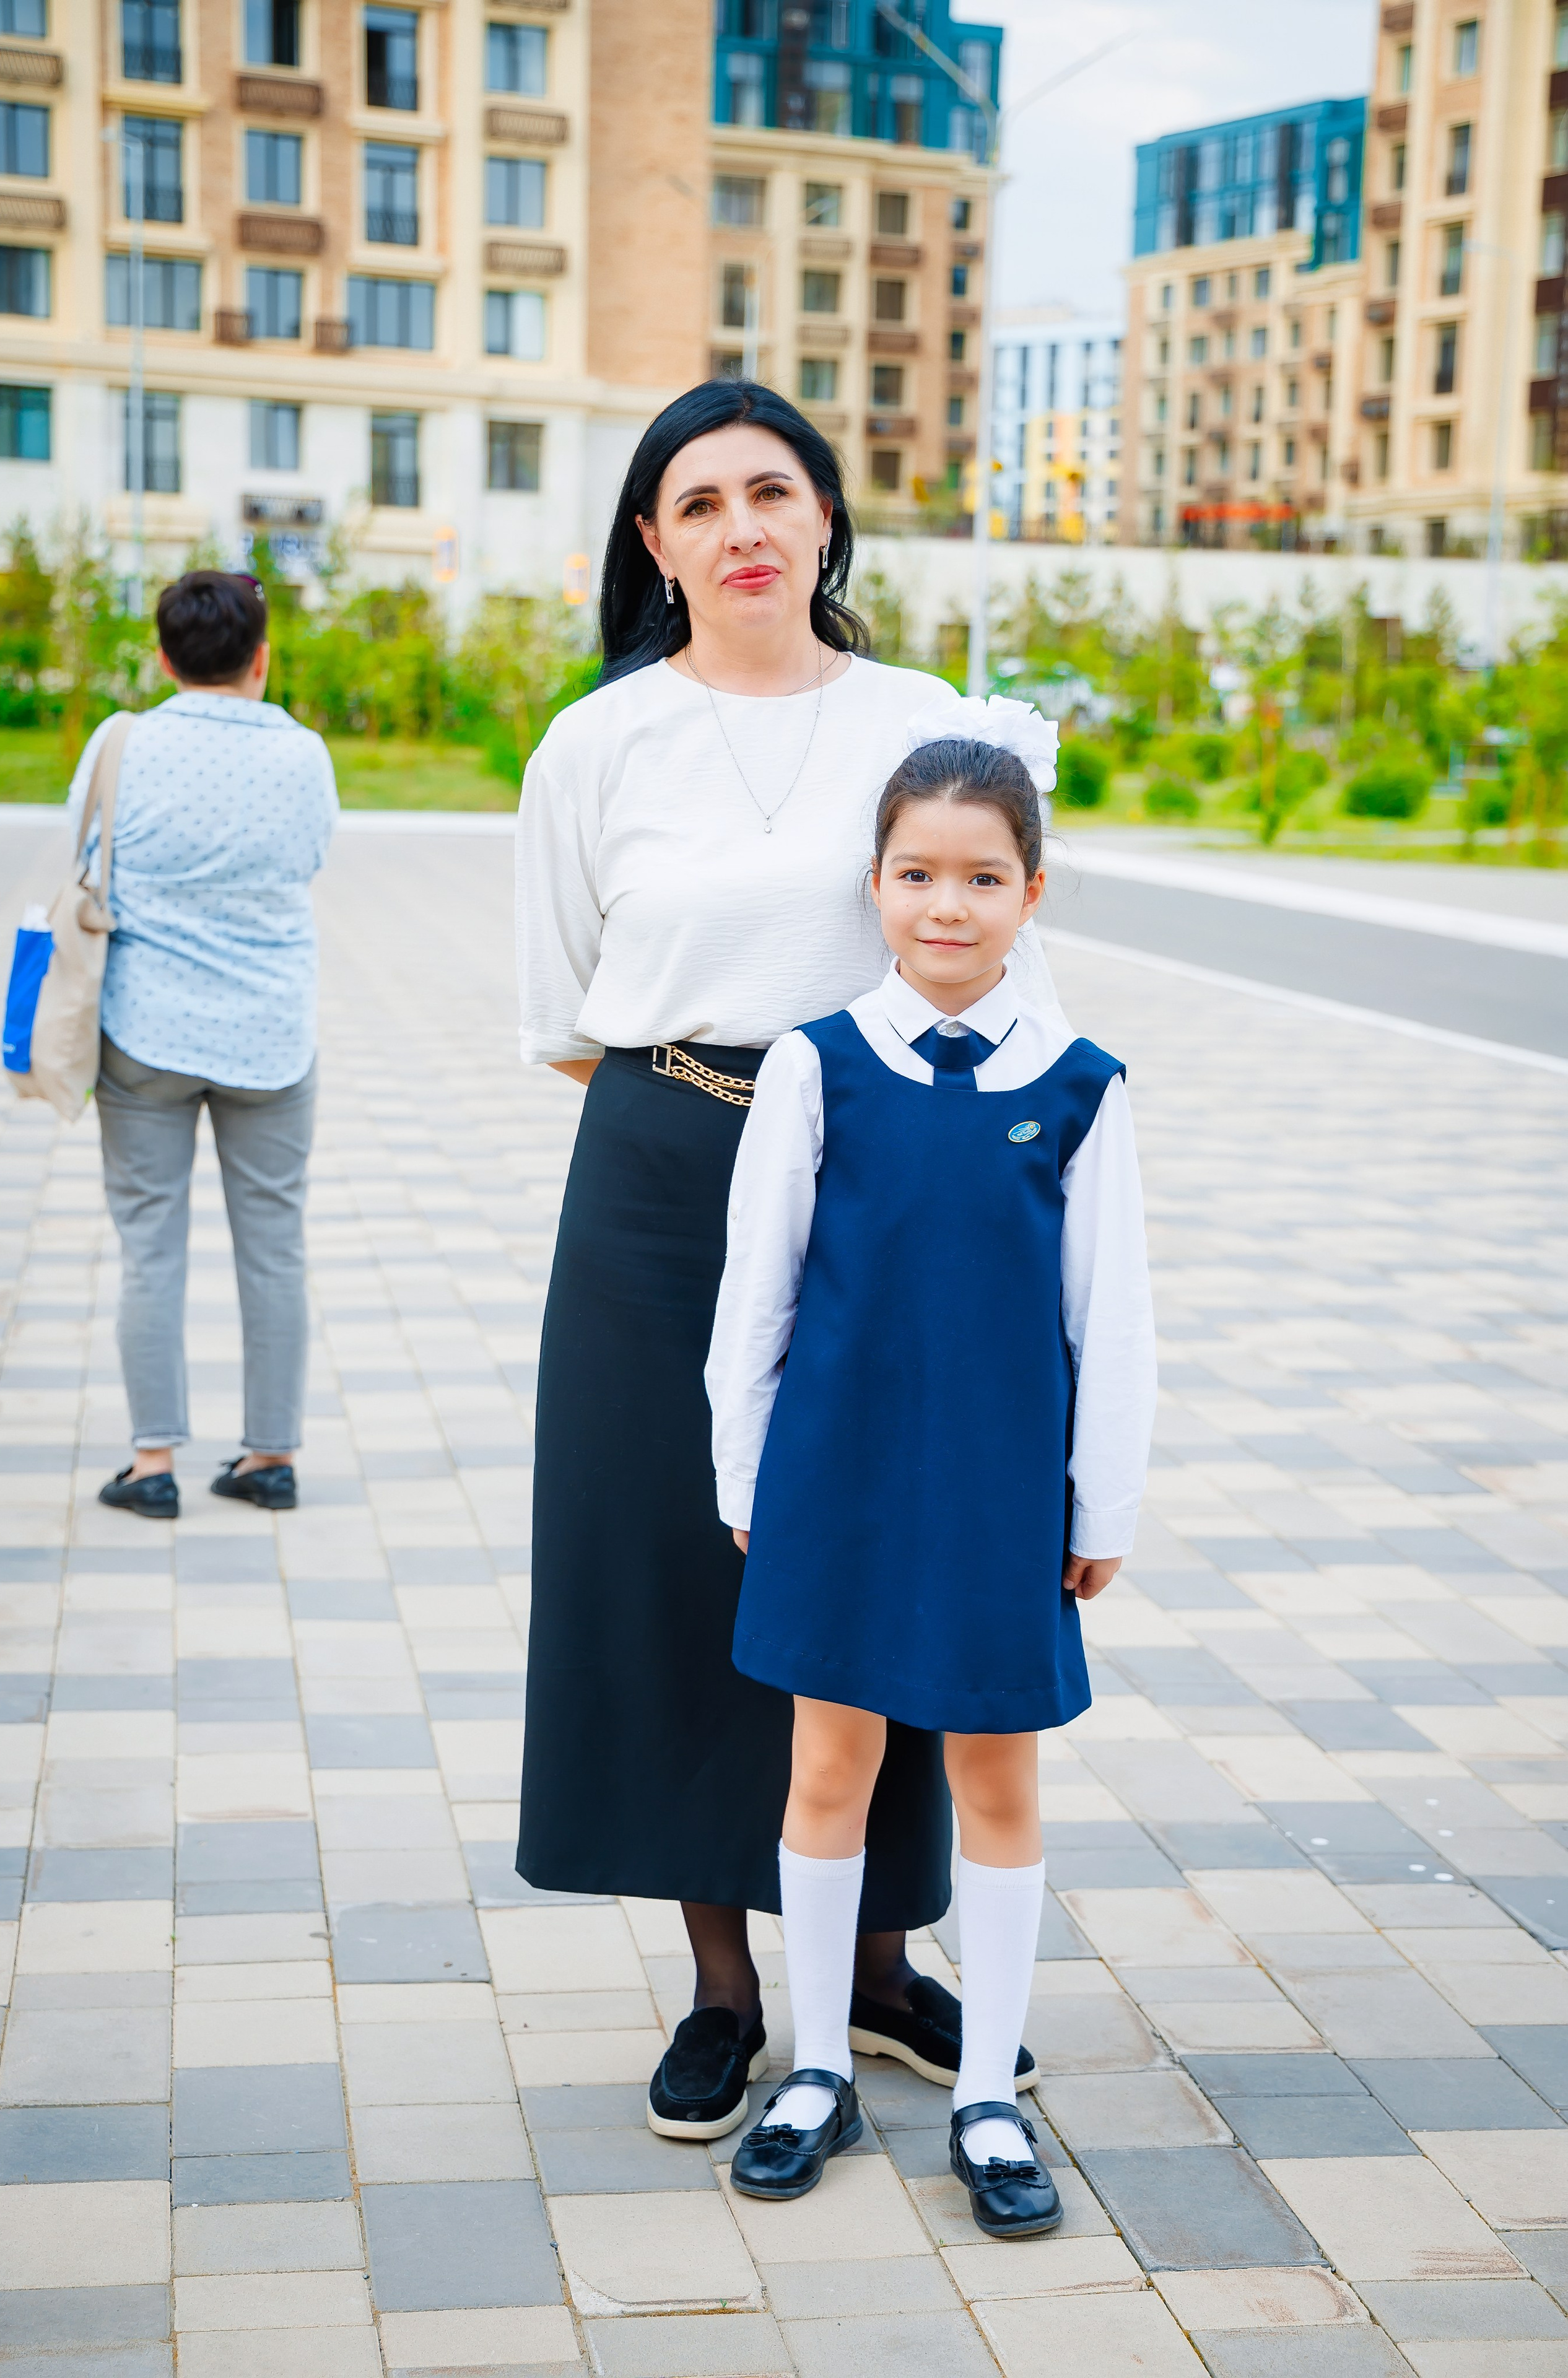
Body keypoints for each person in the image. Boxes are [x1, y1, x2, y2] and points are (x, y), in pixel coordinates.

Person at [513, 380, 1068, 2141]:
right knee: (680, 1557)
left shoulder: (923, 721)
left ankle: (879, 1971)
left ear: (827, 517)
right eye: (699, 503)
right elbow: (566, 1008)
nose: (741, 526)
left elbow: (995, 953)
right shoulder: (595, 743)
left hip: (887, 1169)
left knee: (887, 1546)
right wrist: (730, 1122)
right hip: (661, 1171)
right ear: (652, 543)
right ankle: (725, 1987)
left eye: (773, 490)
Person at [706, 710, 1157, 2234]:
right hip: (833, 1479)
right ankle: (818, 2067)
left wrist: (1099, 1501)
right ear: (874, 886)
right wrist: (745, 1478)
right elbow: (756, 1293)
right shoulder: (815, 1067)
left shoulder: (1079, 1085)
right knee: (826, 1770)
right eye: (915, 874)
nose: (945, 907)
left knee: (994, 1777)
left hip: (995, 1492)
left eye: (980, 878)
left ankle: (984, 2097)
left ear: (1032, 892)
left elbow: (1111, 1317)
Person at [77, 568, 339, 1522]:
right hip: (270, 1038)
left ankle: (152, 1465)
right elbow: (312, 858)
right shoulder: (303, 753)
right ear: (261, 660)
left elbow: (84, 856)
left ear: (163, 658)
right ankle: (270, 1457)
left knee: (150, 1247)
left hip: (142, 1032)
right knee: (275, 1249)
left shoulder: (123, 743)